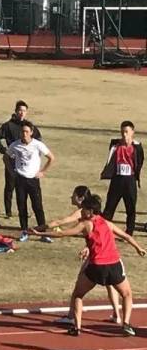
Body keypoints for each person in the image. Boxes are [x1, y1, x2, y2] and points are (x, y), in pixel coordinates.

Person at [30, 194, 146, 337]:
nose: (81, 211)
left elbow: (64, 234)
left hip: (96, 266)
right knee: (127, 294)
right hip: (114, 265)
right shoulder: (107, 223)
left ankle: (77, 327)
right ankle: (126, 323)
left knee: (78, 295)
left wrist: (40, 232)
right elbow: (127, 237)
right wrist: (138, 248)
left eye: (84, 209)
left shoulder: (85, 224)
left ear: (90, 211)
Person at [41, 186, 121, 325]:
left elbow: (62, 223)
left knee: (80, 285)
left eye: (73, 195)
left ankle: (72, 317)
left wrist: (39, 229)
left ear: (80, 198)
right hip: (105, 251)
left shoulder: (81, 212)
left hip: (98, 255)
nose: (71, 198)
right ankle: (117, 315)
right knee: (110, 284)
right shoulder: (92, 212)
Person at [0, 100, 42, 218]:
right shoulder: (8, 125)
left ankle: (25, 211)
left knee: (26, 187)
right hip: (12, 160)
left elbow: (38, 139)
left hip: (26, 162)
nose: (21, 113)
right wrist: (4, 151)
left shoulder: (29, 126)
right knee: (10, 185)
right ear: (15, 111)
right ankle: (8, 211)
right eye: (20, 110)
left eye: (24, 111)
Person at [6, 120, 55, 242]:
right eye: (22, 131)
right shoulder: (15, 145)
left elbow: (51, 157)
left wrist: (43, 171)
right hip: (20, 179)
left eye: (27, 131)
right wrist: (12, 170)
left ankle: (43, 233)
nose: (24, 134)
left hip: (33, 179)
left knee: (37, 206)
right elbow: (6, 157)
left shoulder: (38, 145)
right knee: (22, 206)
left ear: (31, 132)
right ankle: (24, 231)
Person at [101, 120, 144, 236]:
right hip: (117, 179)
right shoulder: (115, 145)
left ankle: (129, 232)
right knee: (110, 206)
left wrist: (135, 175)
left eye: (126, 132)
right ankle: (103, 230)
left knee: (130, 208)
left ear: (132, 132)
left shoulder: (137, 147)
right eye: (122, 132)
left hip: (129, 180)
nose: (124, 134)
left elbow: (140, 161)